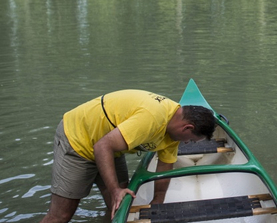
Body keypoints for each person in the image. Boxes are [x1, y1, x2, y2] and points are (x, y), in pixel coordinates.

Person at [39, 89, 216, 223]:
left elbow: (165, 163)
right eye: (191, 140)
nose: (187, 144)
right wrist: (115, 190)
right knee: (61, 215)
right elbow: (102, 146)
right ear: (188, 128)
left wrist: (158, 199)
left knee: (121, 207)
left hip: (111, 147)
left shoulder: (173, 131)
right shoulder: (152, 118)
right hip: (78, 140)